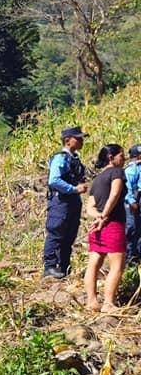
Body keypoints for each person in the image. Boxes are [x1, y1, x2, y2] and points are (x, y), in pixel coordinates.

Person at [84, 144, 127, 313]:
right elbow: (115, 194)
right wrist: (106, 216)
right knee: (117, 265)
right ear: (111, 158)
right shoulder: (117, 172)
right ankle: (108, 303)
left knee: (93, 263)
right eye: (121, 156)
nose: (123, 160)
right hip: (113, 224)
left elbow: (89, 207)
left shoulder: (98, 179)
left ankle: (92, 301)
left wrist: (98, 217)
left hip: (97, 227)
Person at [43, 126, 90, 278]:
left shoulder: (73, 158)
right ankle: (50, 267)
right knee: (56, 233)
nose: (82, 140)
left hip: (71, 202)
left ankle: (64, 267)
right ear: (68, 141)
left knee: (69, 234)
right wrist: (74, 189)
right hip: (60, 202)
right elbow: (54, 180)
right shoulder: (60, 158)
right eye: (78, 138)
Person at [124, 144, 141, 263]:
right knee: (132, 228)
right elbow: (128, 188)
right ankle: (129, 257)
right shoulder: (131, 169)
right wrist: (132, 202)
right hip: (133, 201)